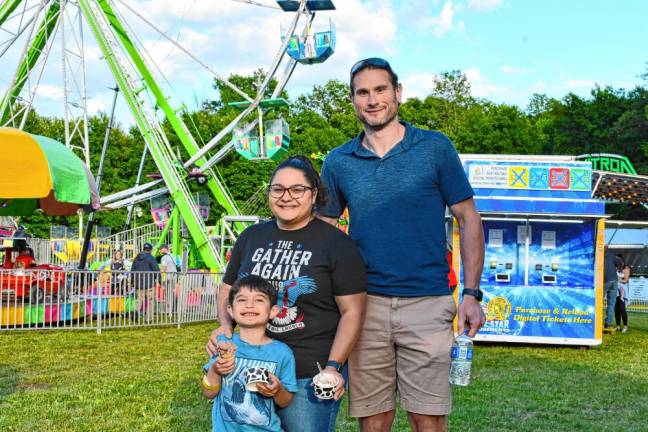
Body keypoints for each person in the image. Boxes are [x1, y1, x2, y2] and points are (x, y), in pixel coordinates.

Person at [318, 57, 486, 432]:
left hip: (427, 303)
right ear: (353, 101)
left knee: (427, 419)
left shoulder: (435, 148)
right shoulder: (339, 161)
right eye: (363, 92)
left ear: (398, 93)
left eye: (380, 89)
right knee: (373, 420)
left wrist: (472, 293)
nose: (372, 99)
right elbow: (323, 230)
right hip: (364, 306)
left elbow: (469, 218)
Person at [208, 155, 367, 432]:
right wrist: (224, 328)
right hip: (247, 366)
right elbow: (227, 289)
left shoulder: (337, 244)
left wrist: (333, 366)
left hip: (307, 373)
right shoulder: (251, 237)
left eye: (297, 190)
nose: (287, 197)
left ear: (314, 194)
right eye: (278, 189)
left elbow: (353, 312)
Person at [203, 275, 297, 431]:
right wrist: (215, 370)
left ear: (273, 311)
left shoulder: (282, 353)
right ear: (230, 310)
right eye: (241, 300)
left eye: (259, 300)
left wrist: (278, 390)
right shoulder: (223, 344)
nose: (249, 305)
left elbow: (285, 401)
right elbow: (208, 392)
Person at [130, 242, 160, 322]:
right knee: (150, 302)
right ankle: (148, 319)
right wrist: (159, 280)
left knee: (139, 300)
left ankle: (135, 313)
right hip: (149, 284)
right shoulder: (151, 258)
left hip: (138, 284)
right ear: (150, 250)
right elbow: (156, 270)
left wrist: (132, 282)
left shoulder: (136, 258)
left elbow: (132, 271)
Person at [158, 244, 178, 314]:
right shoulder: (173, 256)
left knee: (167, 294)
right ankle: (172, 310)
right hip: (174, 276)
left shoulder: (164, 257)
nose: (159, 250)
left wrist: (157, 273)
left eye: (161, 249)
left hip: (168, 278)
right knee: (171, 293)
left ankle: (169, 310)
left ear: (165, 249)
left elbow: (163, 269)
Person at [603, 246, 618, 329]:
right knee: (611, 304)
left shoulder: (598, 255)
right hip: (614, 280)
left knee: (598, 302)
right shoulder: (611, 255)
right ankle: (608, 323)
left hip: (605, 281)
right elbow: (620, 262)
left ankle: (596, 321)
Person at [615, 259, 631, 333]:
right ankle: (618, 325)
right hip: (615, 290)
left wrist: (618, 279)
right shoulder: (615, 268)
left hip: (622, 291)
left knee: (622, 309)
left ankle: (625, 326)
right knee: (616, 309)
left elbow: (626, 281)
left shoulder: (626, 269)